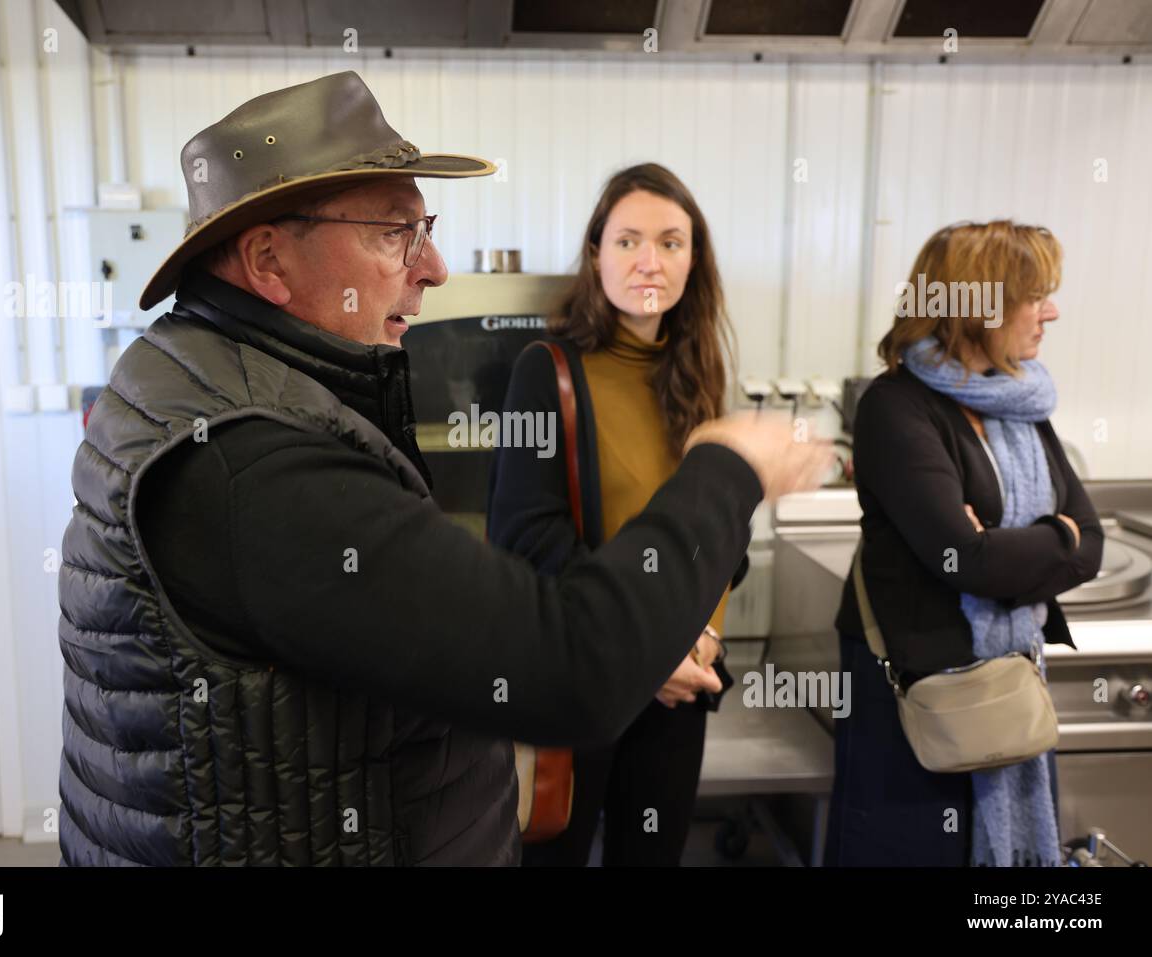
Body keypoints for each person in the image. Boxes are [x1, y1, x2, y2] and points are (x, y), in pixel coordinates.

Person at [55, 70, 828, 866]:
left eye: (424, 226)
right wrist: (728, 466)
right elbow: (568, 668)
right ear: (268, 259)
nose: (435, 267)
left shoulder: (219, 382)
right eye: (395, 233)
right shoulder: (248, 458)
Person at [825, 220, 1103, 867]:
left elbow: (1088, 540)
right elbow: (964, 559)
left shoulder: (1020, 400)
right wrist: (1047, 538)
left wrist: (1024, 544)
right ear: (978, 307)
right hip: (921, 692)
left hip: (1007, 689)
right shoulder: (895, 408)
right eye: (1034, 296)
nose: (1051, 312)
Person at [488, 163, 743, 866]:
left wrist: (704, 639)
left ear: (695, 259)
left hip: (679, 689)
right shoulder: (545, 370)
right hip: (582, 682)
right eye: (628, 240)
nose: (648, 261)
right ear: (596, 251)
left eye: (670, 242)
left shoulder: (700, 373)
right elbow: (525, 535)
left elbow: (724, 531)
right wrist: (643, 652)